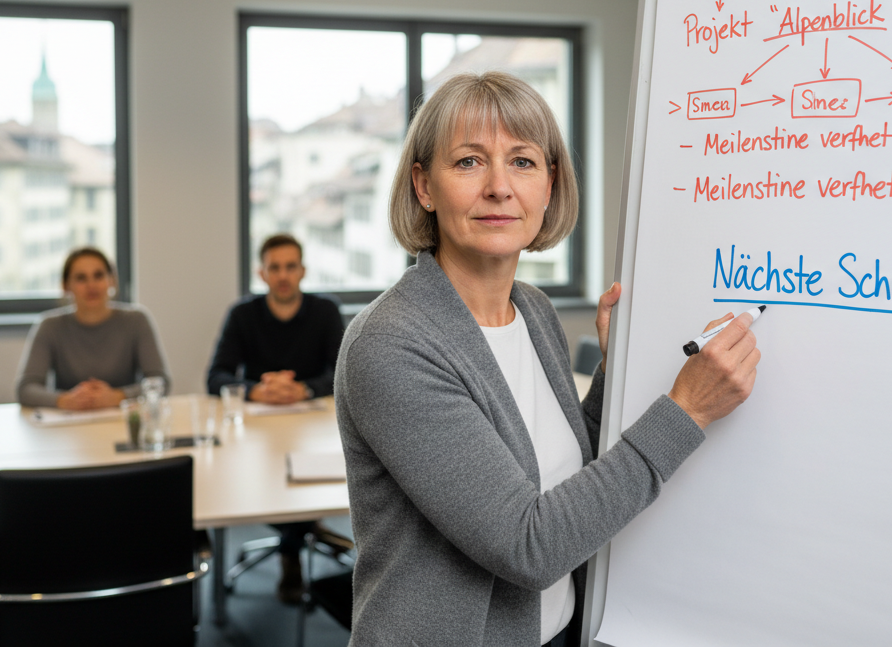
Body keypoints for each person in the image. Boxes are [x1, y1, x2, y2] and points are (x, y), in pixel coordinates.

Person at [336, 72, 761, 646]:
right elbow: (527, 544)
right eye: (467, 162)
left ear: (550, 183)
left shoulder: (532, 310)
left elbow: (563, 469)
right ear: (423, 186)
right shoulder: (392, 344)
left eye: (523, 161)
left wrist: (613, 376)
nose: (499, 187)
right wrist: (687, 412)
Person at [206, 233, 345, 602]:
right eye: (274, 268)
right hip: (258, 431)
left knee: (302, 474)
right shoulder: (243, 314)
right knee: (268, 474)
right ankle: (293, 545)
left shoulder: (325, 311)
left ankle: (291, 545)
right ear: (262, 273)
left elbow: (343, 372)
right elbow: (215, 376)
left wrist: (303, 389)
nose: (283, 275)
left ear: (302, 271)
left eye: (290, 267)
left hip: (315, 426)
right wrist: (256, 389)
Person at [15, 247, 170, 409]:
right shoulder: (50, 326)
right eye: (81, 278)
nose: (91, 285)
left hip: (123, 421)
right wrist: (65, 400)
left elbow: (161, 382)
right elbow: (26, 389)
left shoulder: (137, 320)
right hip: (68, 426)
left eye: (99, 275)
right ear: (66, 285)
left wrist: (118, 396)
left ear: (112, 280)